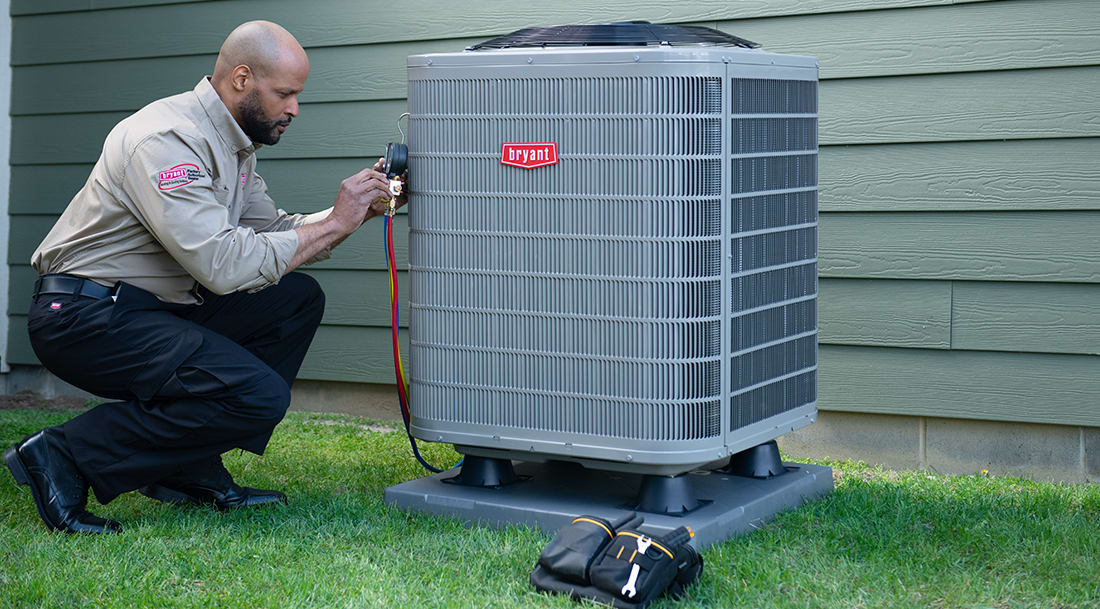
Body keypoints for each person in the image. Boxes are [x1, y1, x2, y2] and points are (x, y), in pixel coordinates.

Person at [2, 21, 403, 534]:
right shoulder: (167, 140)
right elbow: (224, 264)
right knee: (257, 395)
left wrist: (357, 211)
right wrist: (335, 223)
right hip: (84, 316)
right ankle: (65, 455)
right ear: (241, 78)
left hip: (148, 306)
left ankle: (185, 463)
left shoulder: (232, 143)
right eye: (285, 94)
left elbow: (270, 231)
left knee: (295, 297)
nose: (294, 109)